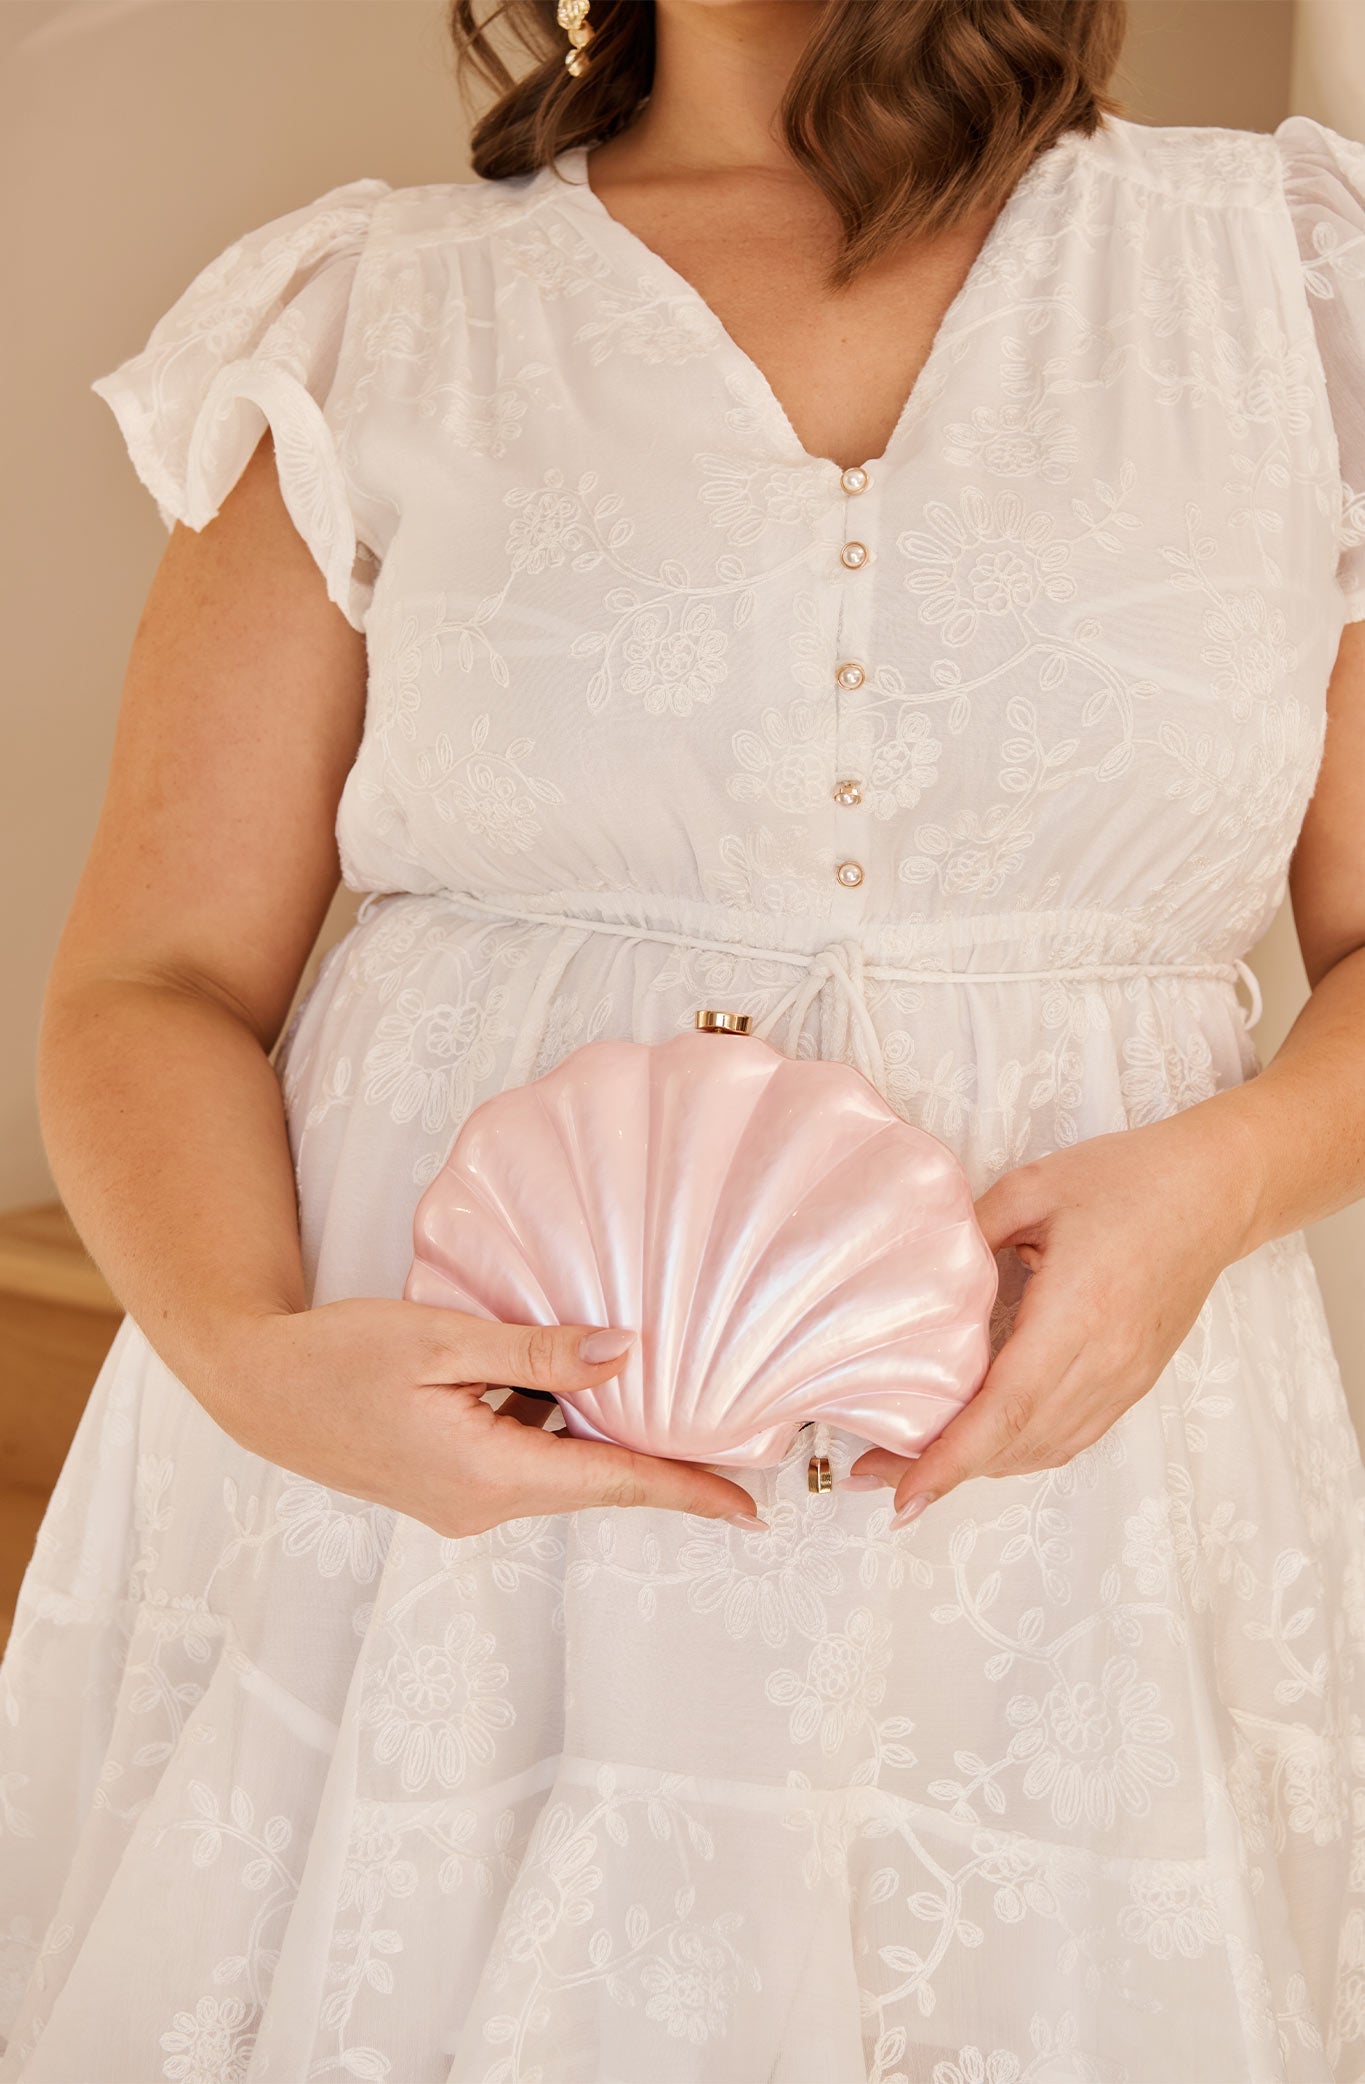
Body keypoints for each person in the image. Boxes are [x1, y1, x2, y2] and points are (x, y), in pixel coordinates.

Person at [4, 0, 1365, 2074]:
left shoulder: (1284, 288)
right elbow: (152, 983)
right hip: (441, 1541)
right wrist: (257, 1364)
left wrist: (1214, 1186)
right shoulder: (379, 317)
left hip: (1074, 1535)